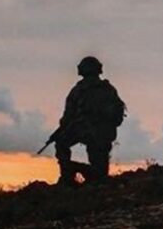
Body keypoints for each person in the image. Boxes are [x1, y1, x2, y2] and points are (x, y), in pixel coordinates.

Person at [48, 56, 126, 186]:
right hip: (105, 134)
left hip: (86, 131)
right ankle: (85, 175)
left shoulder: (79, 90)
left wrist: (62, 130)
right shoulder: (108, 89)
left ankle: (68, 175)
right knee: (100, 174)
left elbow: (67, 117)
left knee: (61, 143)